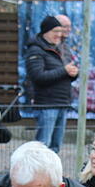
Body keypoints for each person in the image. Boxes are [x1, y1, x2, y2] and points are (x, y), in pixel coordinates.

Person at [25, 15, 77, 152]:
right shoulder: (36, 50)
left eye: (61, 31)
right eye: (55, 31)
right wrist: (64, 70)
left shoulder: (61, 49)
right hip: (47, 104)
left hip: (62, 103)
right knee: (43, 146)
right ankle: (37, 172)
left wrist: (73, 74)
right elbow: (38, 77)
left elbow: (63, 74)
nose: (59, 35)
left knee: (55, 146)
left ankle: (51, 173)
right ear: (45, 31)